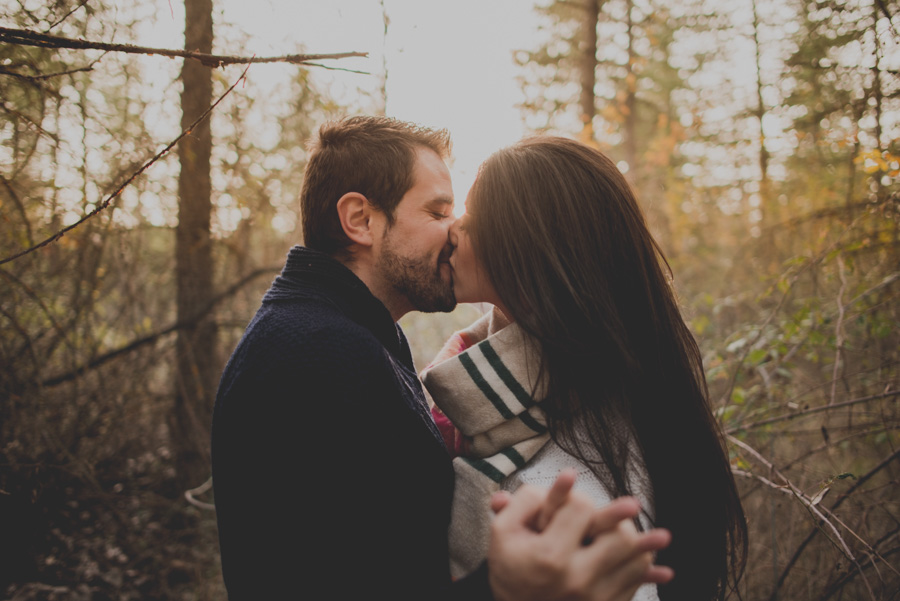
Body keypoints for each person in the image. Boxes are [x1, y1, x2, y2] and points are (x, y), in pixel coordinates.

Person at [210, 117, 674, 601]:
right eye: (437, 212)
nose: (454, 231)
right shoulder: (314, 354)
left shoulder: (350, 338)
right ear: (361, 220)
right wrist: (502, 589)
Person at [422, 136, 748, 601]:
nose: (454, 229)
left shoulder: (567, 476)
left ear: (528, 251)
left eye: (475, 220)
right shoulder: (502, 392)